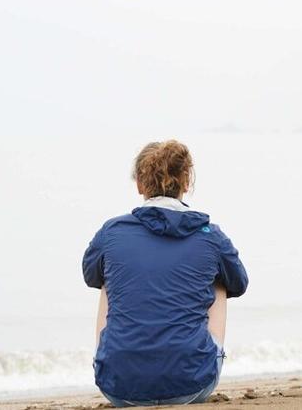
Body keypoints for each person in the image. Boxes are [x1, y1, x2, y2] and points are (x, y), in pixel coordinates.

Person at [82, 140, 248, 406]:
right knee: (220, 281)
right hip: (192, 385)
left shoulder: (112, 232)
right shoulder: (211, 236)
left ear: (139, 184)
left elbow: (90, 276)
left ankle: (117, 361)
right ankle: (192, 361)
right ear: (186, 182)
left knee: (107, 279)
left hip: (119, 388)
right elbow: (238, 283)